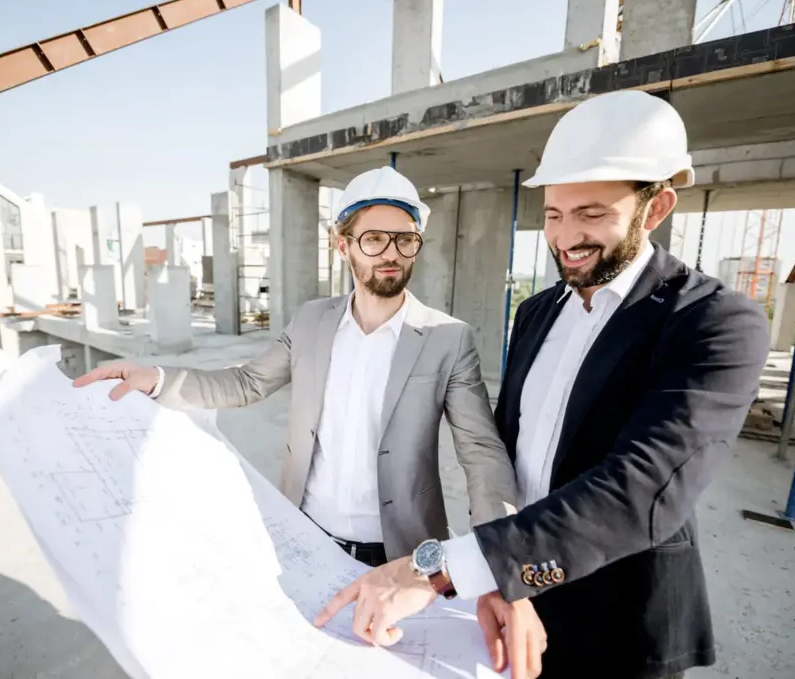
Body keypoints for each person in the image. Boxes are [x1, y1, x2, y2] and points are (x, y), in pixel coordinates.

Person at [314, 90, 770, 679]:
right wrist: (503, 579)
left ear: (654, 208)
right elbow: (507, 455)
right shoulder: (536, 312)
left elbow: (640, 494)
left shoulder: (713, 321)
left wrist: (447, 568)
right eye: (554, 214)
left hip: (617, 618)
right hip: (513, 592)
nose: (566, 237)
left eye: (592, 213)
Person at [74, 166, 519, 568]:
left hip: (400, 554)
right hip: (306, 536)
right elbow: (246, 383)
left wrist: (496, 558)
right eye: (374, 238)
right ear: (343, 246)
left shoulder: (447, 337)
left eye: (405, 239)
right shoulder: (310, 321)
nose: (391, 253)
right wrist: (158, 379)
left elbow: (481, 452)